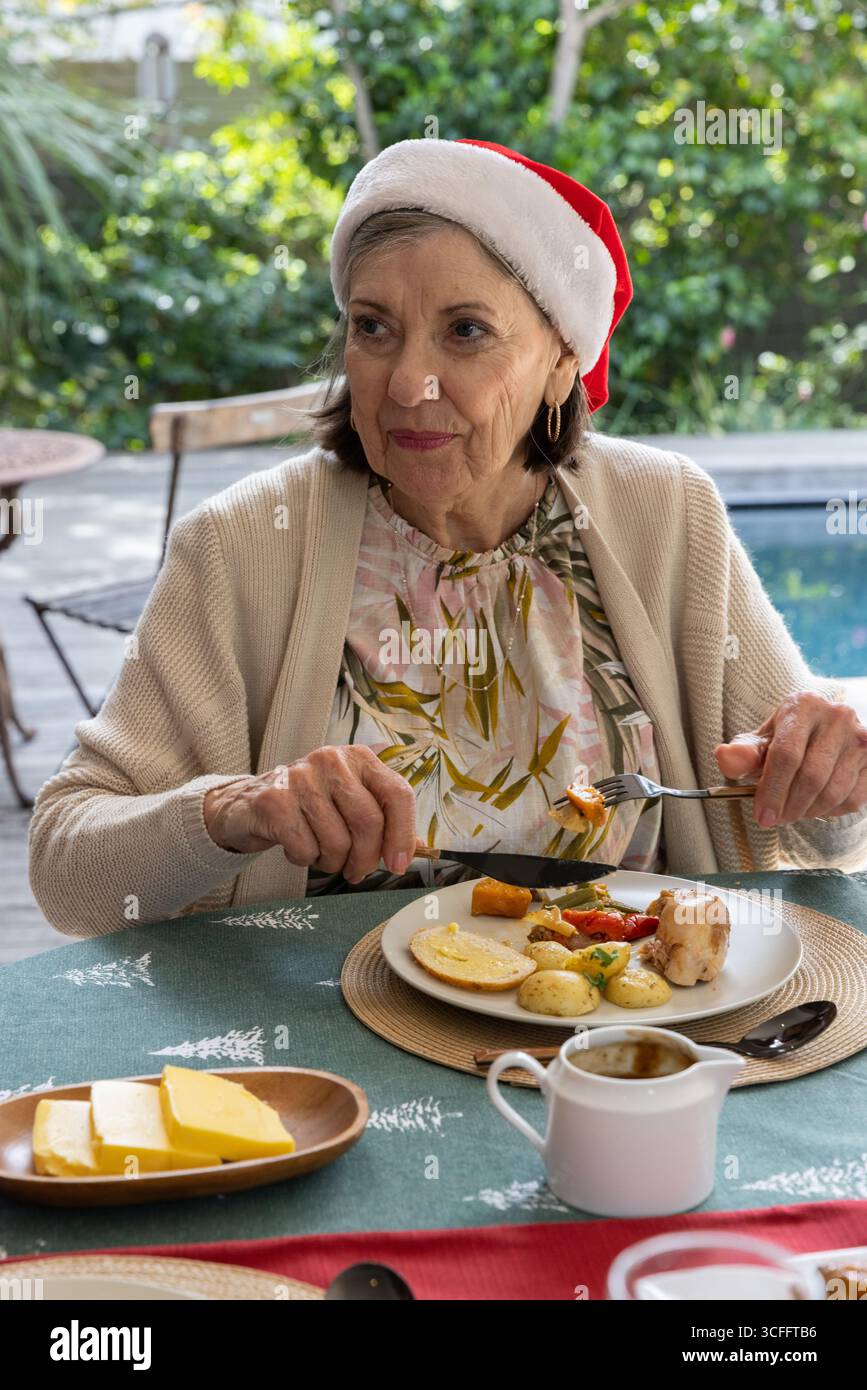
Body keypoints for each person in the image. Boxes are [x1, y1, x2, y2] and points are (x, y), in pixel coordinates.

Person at [29, 138, 867, 937]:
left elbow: (813, 832)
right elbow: (67, 870)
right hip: (333, 1046)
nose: (405, 381)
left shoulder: (665, 511)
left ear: (560, 358)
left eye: (465, 331)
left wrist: (830, 771)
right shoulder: (241, 543)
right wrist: (236, 811)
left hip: (633, 1032)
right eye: (372, 327)